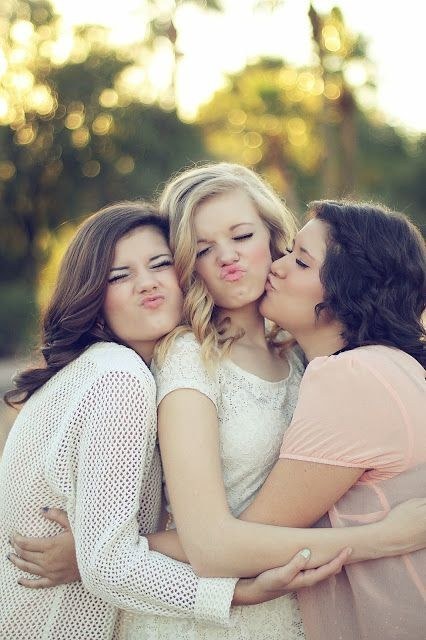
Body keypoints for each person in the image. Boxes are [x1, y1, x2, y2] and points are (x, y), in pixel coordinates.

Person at [7, 175, 426, 638]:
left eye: (243, 236)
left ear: (273, 239)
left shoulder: (301, 354)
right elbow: (210, 538)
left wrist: (111, 550)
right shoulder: (190, 357)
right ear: (188, 263)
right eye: (203, 248)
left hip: (287, 604)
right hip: (200, 618)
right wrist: (103, 552)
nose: (227, 257)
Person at [251, 199, 426, 639]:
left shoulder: (353, 376)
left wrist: (106, 554)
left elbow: (251, 541)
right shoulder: (395, 366)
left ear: (344, 294)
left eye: (302, 262)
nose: (278, 266)